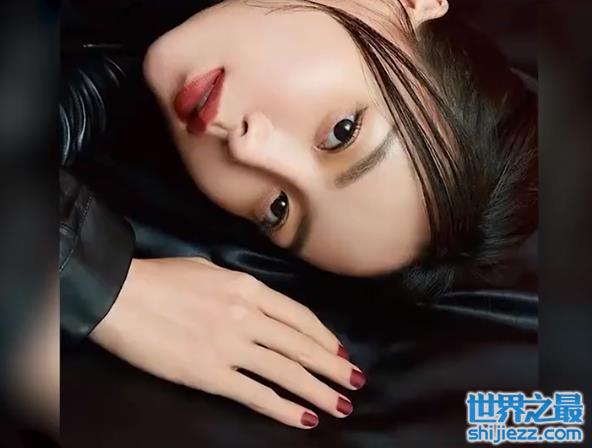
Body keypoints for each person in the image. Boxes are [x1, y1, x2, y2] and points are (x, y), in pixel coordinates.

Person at [60, 0, 537, 430]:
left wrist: (111, 288)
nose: (249, 149)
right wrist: (95, 279)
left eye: (278, 208)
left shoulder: (99, 89)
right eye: (342, 132)